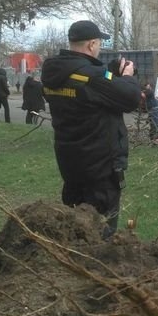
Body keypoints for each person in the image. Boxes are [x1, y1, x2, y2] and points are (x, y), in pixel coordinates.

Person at [41, 20, 141, 238]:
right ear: (91, 44)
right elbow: (130, 98)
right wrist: (127, 77)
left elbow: (90, 94)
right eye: (99, 44)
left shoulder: (53, 73)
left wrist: (109, 75)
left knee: (76, 224)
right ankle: (98, 265)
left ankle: (76, 261)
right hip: (100, 167)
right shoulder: (90, 77)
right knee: (101, 227)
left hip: (70, 163)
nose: (99, 48)